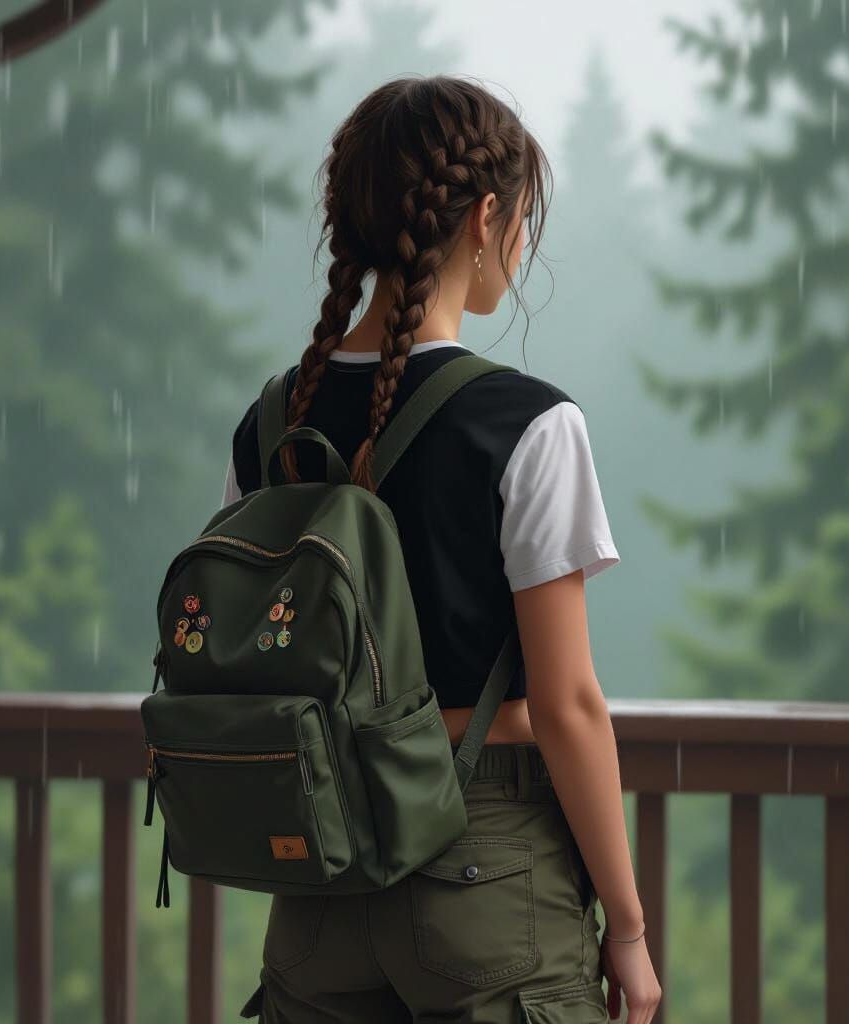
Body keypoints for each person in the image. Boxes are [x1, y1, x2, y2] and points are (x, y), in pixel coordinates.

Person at [221, 74, 661, 1024]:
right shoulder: (527, 422)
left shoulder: (268, 426)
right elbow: (568, 703)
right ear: (488, 215)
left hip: (318, 883)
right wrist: (624, 928)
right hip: (484, 868)